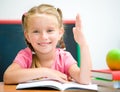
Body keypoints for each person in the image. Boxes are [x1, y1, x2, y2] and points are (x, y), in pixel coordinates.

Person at [3, 4, 92, 84]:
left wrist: (84, 45)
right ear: (28, 36)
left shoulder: (64, 58)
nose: (44, 37)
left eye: (50, 30)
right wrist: (46, 72)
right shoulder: (25, 56)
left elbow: (85, 79)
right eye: (36, 31)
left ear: (60, 33)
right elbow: (8, 77)